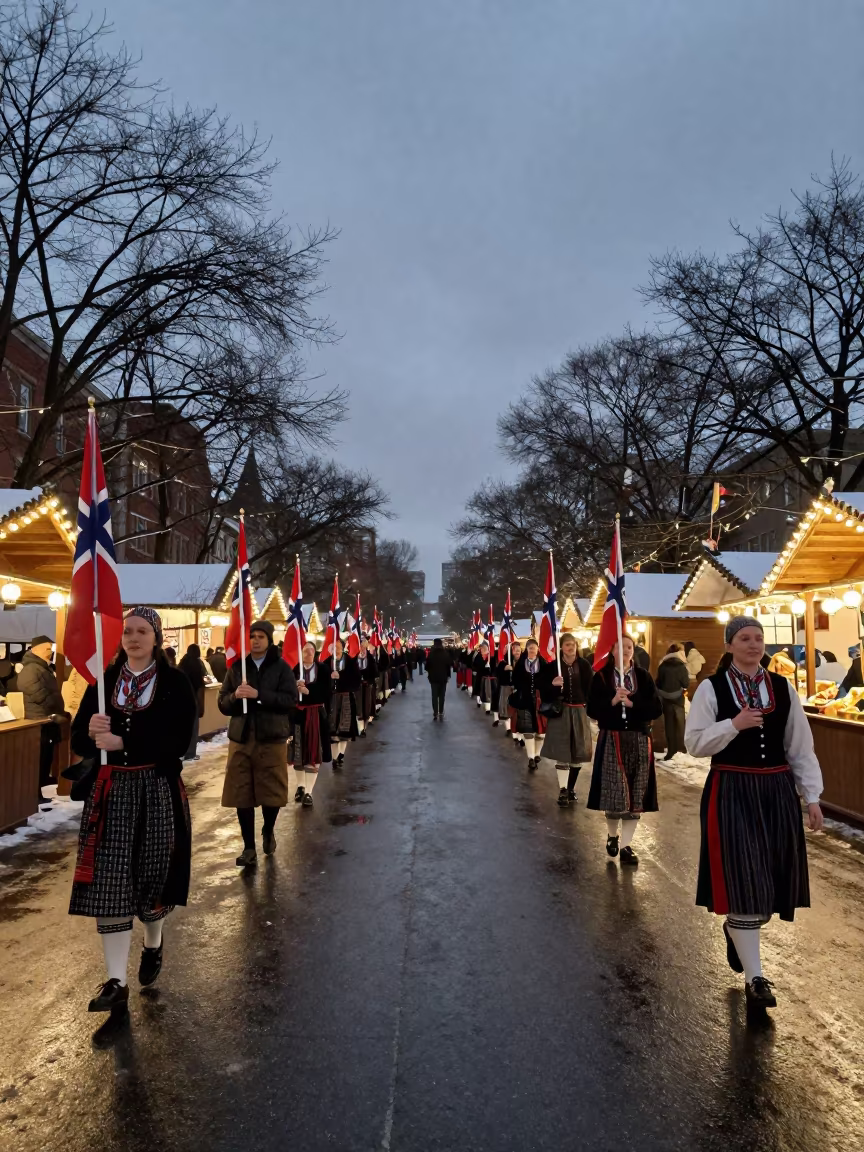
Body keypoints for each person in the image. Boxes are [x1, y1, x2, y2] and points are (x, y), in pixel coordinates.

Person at [685, 616, 824, 1011]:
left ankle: (737, 931)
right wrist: (734, 724)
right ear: (729, 645)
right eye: (744, 638)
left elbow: (800, 745)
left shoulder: (782, 687)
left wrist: (811, 796)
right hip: (731, 789)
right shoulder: (711, 688)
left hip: (776, 791)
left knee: (769, 882)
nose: (754, 644)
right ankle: (756, 978)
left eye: (759, 638)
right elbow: (694, 743)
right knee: (745, 878)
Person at [68, 607, 196, 1014]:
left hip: (156, 790)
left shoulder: (174, 683)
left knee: (151, 880)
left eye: (142, 631)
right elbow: (80, 738)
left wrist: (125, 742)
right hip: (110, 793)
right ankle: (116, 981)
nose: (133, 638)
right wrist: (90, 735)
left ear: (157, 638)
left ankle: (153, 943)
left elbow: (179, 741)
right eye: (127, 631)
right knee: (109, 886)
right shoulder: (104, 683)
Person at [219, 619, 298, 867]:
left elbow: (289, 700)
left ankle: (268, 829)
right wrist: (234, 696)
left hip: (271, 738)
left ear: (269, 639)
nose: (255, 640)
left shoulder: (281, 668)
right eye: (252, 635)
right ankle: (248, 847)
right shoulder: (237, 668)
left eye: (260, 636)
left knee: (271, 792)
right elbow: (222, 703)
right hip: (242, 738)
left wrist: (259, 696)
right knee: (241, 792)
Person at [587, 634, 662, 866]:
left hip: (639, 738)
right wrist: (612, 701)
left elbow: (656, 708)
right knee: (614, 792)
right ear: (612, 651)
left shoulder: (643, 676)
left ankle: (627, 845)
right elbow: (592, 709)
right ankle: (612, 835)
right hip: (612, 737)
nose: (627, 651)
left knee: (636, 793)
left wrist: (632, 703)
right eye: (622, 647)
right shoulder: (601, 677)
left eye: (630, 647)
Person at [539, 634, 593, 807]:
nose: (571, 647)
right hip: (561, 711)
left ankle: (570, 788)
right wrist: (553, 685)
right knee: (562, 751)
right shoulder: (553, 667)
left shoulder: (584, 665)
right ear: (561, 647)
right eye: (567, 644)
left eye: (573, 644)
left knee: (578, 752)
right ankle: (562, 789)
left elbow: (591, 689)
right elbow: (543, 691)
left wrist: (590, 708)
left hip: (579, 710)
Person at [18, 635, 66, 795]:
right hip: (39, 720)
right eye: (46, 647)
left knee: (45, 759)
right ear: (35, 649)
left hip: (47, 720)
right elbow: (34, 690)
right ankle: (34, 794)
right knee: (39, 760)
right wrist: (53, 709)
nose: (49, 651)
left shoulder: (42, 667)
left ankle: (37, 793)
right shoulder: (31, 668)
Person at [294, 641, 332, 807]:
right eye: (305, 650)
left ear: (315, 653)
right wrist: (295, 688)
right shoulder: (295, 669)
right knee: (298, 753)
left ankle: (309, 791)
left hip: (316, 714)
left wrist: (309, 691)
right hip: (298, 715)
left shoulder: (323, 669)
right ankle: (300, 786)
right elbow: (286, 691)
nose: (308, 653)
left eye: (311, 650)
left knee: (314, 752)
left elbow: (327, 691)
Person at [511, 638, 547, 768]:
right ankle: (531, 758)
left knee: (540, 732)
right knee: (527, 730)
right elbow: (515, 679)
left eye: (534, 648)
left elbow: (547, 680)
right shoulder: (521, 664)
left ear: (538, 649)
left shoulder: (543, 664)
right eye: (530, 648)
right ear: (526, 650)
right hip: (525, 700)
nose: (532, 650)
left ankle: (537, 753)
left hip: (540, 700)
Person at [655, 643, 691, 761]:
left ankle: (671, 750)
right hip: (678, 699)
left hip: (666, 699)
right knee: (680, 724)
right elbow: (686, 683)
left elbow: (658, 683)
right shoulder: (682, 666)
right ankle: (681, 748)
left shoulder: (662, 665)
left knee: (669, 725)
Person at [328, 637, 360, 765]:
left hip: (346, 697)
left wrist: (341, 677)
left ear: (343, 647)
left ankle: (341, 753)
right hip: (332, 699)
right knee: (332, 730)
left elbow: (356, 679)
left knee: (344, 729)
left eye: (338, 646)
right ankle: (335, 757)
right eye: (333, 647)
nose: (336, 649)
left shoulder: (351, 662)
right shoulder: (326, 663)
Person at [178, 643, 208, 760]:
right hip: (193, 699)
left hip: (181, 700)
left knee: (182, 727)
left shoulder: (182, 663)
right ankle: (190, 753)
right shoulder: (197, 664)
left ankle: (181, 751)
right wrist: (201, 706)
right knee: (193, 728)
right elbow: (200, 686)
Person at [497, 641, 522, 742]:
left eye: (519, 650)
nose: (517, 652)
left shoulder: (523, 662)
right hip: (507, 688)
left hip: (519, 690)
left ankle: (518, 734)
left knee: (518, 712)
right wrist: (504, 670)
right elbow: (498, 676)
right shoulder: (503, 663)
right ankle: (509, 728)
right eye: (515, 650)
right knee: (507, 709)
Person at [425, 637, 452, 720]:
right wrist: (448, 675)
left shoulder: (431, 654)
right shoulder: (445, 654)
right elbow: (449, 665)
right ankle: (441, 712)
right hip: (443, 678)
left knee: (434, 696)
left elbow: (427, 667)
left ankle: (435, 712)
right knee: (442, 696)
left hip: (433, 678)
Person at [473, 641, 497, 715]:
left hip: (489, 677)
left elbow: (494, 666)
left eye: (485, 649)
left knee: (488, 692)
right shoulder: (478, 656)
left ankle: (488, 708)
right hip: (480, 676)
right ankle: (479, 701)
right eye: (482, 649)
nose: (483, 650)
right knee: (479, 690)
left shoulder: (491, 657)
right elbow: (475, 664)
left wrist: (490, 668)